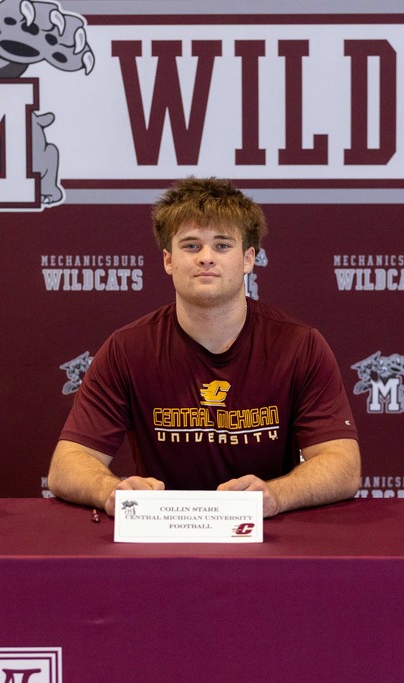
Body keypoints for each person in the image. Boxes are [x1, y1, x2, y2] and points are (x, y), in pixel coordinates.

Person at [48, 177, 360, 518]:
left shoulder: (299, 345)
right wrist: (111, 492)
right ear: (168, 260)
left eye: (222, 245)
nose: (206, 258)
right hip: (160, 533)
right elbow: (67, 463)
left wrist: (276, 495)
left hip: (266, 533)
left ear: (248, 259)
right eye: (191, 246)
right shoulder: (127, 349)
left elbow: (342, 464)